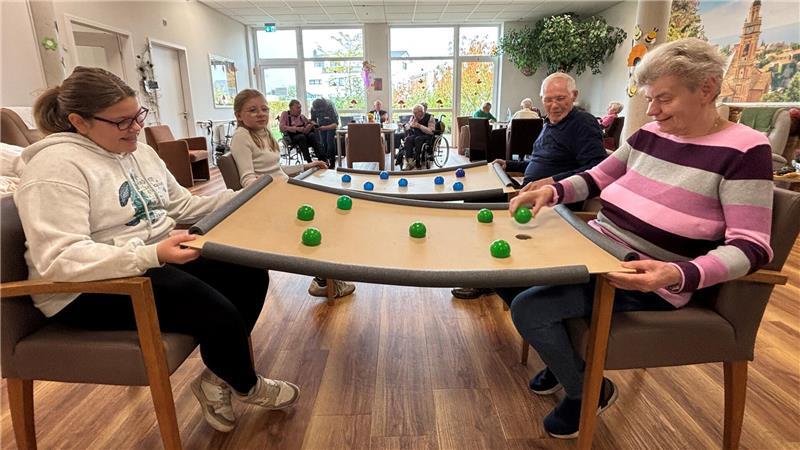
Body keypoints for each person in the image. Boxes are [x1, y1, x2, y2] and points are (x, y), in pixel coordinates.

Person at [505, 38, 774, 440]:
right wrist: (553, 191)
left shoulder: (745, 149)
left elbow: (752, 246)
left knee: (529, 309)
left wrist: (676, 273)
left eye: (663, 99)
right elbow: (598, 176)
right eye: (649, 99)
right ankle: (565, 359)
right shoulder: (649, 134)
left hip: (643, 276)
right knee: (502, 277)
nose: (651, 111)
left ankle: (587, 392)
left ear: (707, 88)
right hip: (594, 245)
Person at [15, 67, 301, 434]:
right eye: (121, 122)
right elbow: (59, 260)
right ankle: (246, 384)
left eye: (138, 116)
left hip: (150, 261)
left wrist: (255, 196)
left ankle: (217, 380)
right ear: (79, 121)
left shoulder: (140, 151)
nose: (135, 128)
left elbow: (182, 206)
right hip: (86, 288)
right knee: (213, 308)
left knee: (247, 269)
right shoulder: (54, 168)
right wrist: (152, 256)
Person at [452, 72, 607, 299]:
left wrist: (551, 183)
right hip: (528, 191)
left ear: (574, 96)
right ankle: (490, 275)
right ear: (541, 99)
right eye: (548, 99)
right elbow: (537, 162)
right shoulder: (549, 123)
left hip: (556, 203)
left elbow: (597, 170)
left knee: (482, 205)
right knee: (475, 197)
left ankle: (497, 280)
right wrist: (509, 163)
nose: (554, 105)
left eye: (561, 98)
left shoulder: (582, 124)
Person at [230, 89, 356, 298]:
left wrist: (308, 165)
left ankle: (324, 278)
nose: (260, 114)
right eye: (252, 110)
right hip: (273, 197)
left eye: (264, 109)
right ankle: (324, 280)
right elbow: (248, 180)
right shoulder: (241, 136)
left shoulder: (265, 133)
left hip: (284, 189)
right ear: (238, 115)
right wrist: (276, 192)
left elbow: (276, 169)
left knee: (329, 210)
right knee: (322, 217)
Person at [279, 99, 324, 164]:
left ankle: (322, 159)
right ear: (291, 108)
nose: (300, 109)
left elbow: (307, 125)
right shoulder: (285, 114)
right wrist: (297, 129)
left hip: (304, 135)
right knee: (301, 137)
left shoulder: (302, 116)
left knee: (312, 135)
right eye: (298, 108)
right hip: (291, 137)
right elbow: (282, 128)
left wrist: (311, 125)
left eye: (300, 107)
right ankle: (309, 161)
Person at [396, 103, 435, 170]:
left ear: (421, 112)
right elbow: (408, 126)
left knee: (418, 139)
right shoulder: (413, 117)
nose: (414, 115)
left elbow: (431, 131)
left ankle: (418, 161)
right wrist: (405, 126)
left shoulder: (430, 118)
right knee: (408, 139)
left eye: (416, 113)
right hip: (416, 135)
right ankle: (410, 161)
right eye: (414, 113)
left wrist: (419, 126)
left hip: (426, 136)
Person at [310, 97, 339, 167]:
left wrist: (325, 128)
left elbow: (335, 124)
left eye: (321, 111)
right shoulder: (313, 108)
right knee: (323, 143)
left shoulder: (330, 107)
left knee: (329, 142)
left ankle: (332, 162)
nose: (319, 112)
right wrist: (314, 124)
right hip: (321, 125)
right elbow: (312, 120)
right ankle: (325, 161)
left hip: (331, 124)